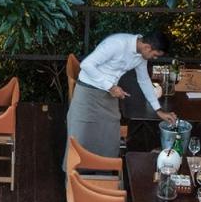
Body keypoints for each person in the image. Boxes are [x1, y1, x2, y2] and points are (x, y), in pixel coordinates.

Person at [67, 31, 176, 159]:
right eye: (155, 55)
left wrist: (158, 110)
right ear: (147, 47)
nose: (155, 58)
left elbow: (144, 79)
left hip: (109, 95)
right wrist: (111, 86)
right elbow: (86, 64)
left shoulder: (141, 55)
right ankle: (73, 175)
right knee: (79, 137)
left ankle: (104, 173)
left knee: (110, 138)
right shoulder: (116, 44)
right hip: (87, 91)